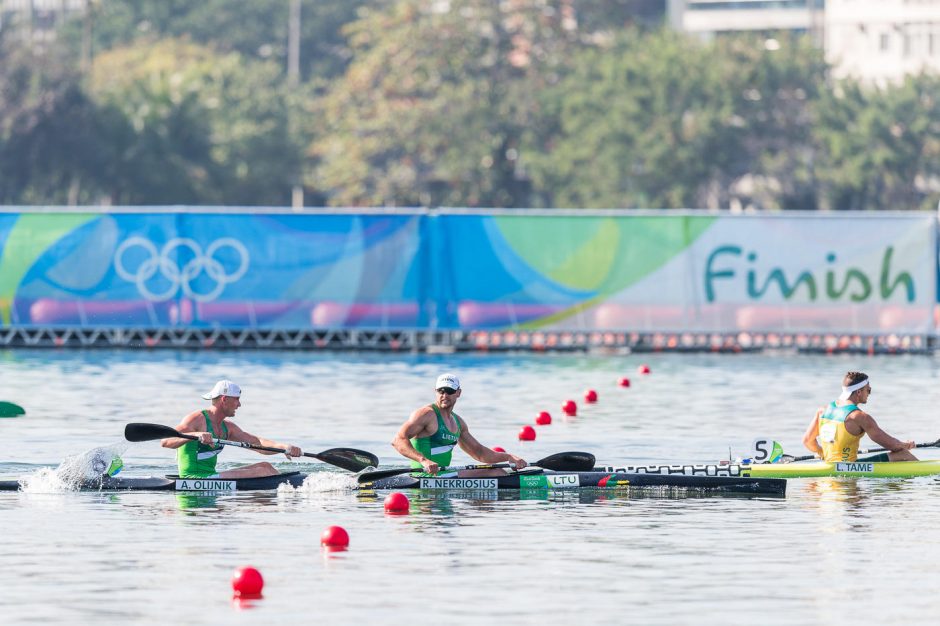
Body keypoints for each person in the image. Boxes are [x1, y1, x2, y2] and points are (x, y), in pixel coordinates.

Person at [392, 373, 527, 477]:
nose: (444, 395)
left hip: (442, 477)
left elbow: (479, 453)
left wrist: (509, 457)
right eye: (441, 391)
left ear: (458, 393)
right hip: (424, 476)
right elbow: (398, 440)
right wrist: (423, 460)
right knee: (495, 472)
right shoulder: (426, 414)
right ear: (435, 391)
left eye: (449, 391)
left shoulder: (458, 422)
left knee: (497, 471)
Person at [161, 380, 303, 478]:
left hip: (211, 477)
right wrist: (196, 434)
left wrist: (285, 447)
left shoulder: (227, 427)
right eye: (237, 399)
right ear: (224, 400)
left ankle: (284, 489)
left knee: (265, 467)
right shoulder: (197, 419)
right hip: (193, 479)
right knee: (261, 472)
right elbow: (165, 441)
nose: (239, 404)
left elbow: (258, 444)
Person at [802, 371, 917, 463]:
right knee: (903, 454)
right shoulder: (859, 417)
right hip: (849, 471)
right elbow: (892, 445)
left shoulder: (822, 410)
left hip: (828, 470)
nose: (869, 393)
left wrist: (823, 453)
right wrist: (905, 445)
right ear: (858, 392)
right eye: (868, 390)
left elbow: (807, 441)